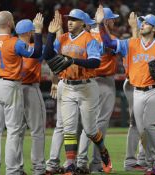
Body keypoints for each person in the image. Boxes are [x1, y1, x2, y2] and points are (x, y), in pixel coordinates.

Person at [96, 5, 155, 175]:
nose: (142, 25)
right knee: (141, 130)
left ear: (154, 28)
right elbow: (109, 42)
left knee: (149, 126)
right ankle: (150, 163)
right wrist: (100, 25)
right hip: (137, 91)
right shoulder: (130, 43)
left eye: (146, 23)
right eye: (141, 23)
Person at [42, 9, 112, 174]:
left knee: (90, 130)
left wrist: (73, 60)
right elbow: (47, 55)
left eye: (74, 19)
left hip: (87, 87)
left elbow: (95, 62)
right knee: (69, 128)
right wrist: (51, 34)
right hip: (67, 86)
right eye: (69, 19)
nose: (70, 22)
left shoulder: (89, 39)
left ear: (83, 23)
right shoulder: (63, 37)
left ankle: (102, 150)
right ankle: (70, 164)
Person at [0, 11, 42, 174]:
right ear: (8, 23)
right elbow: (36, 53)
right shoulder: (15, 42)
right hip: (9, 86)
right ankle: (13, 170)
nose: (14, 22)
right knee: (13, 130)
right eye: (12, 20)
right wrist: (39, 32)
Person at [75, 7, 120, 173]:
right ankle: (95, 164)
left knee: (86, 124)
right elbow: (112, 47)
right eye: (112, 19)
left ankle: (80, 162)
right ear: (106, 20)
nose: (114, 22)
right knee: (98, 125)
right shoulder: (111, 38)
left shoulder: (85, 37)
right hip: (104, 84)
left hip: (85, 82)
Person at [14, 16, 47, 175]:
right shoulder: (34, 47)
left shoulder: (11, 46)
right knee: (37, 130)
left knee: (16, 132)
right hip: (30, 89)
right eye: (32, 31)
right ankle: (38, 167)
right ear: (29, 32)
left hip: (13, 90)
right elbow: (47, 50)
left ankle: (17, 168)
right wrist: (43, 31)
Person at [123, 15, 147, 172]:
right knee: (138, 123)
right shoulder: (131, 43)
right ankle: (135, 160)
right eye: (142, 26)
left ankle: (141, 158)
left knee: (143, 123)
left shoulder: (147, 44)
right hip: (134, 84)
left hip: (141, 84)